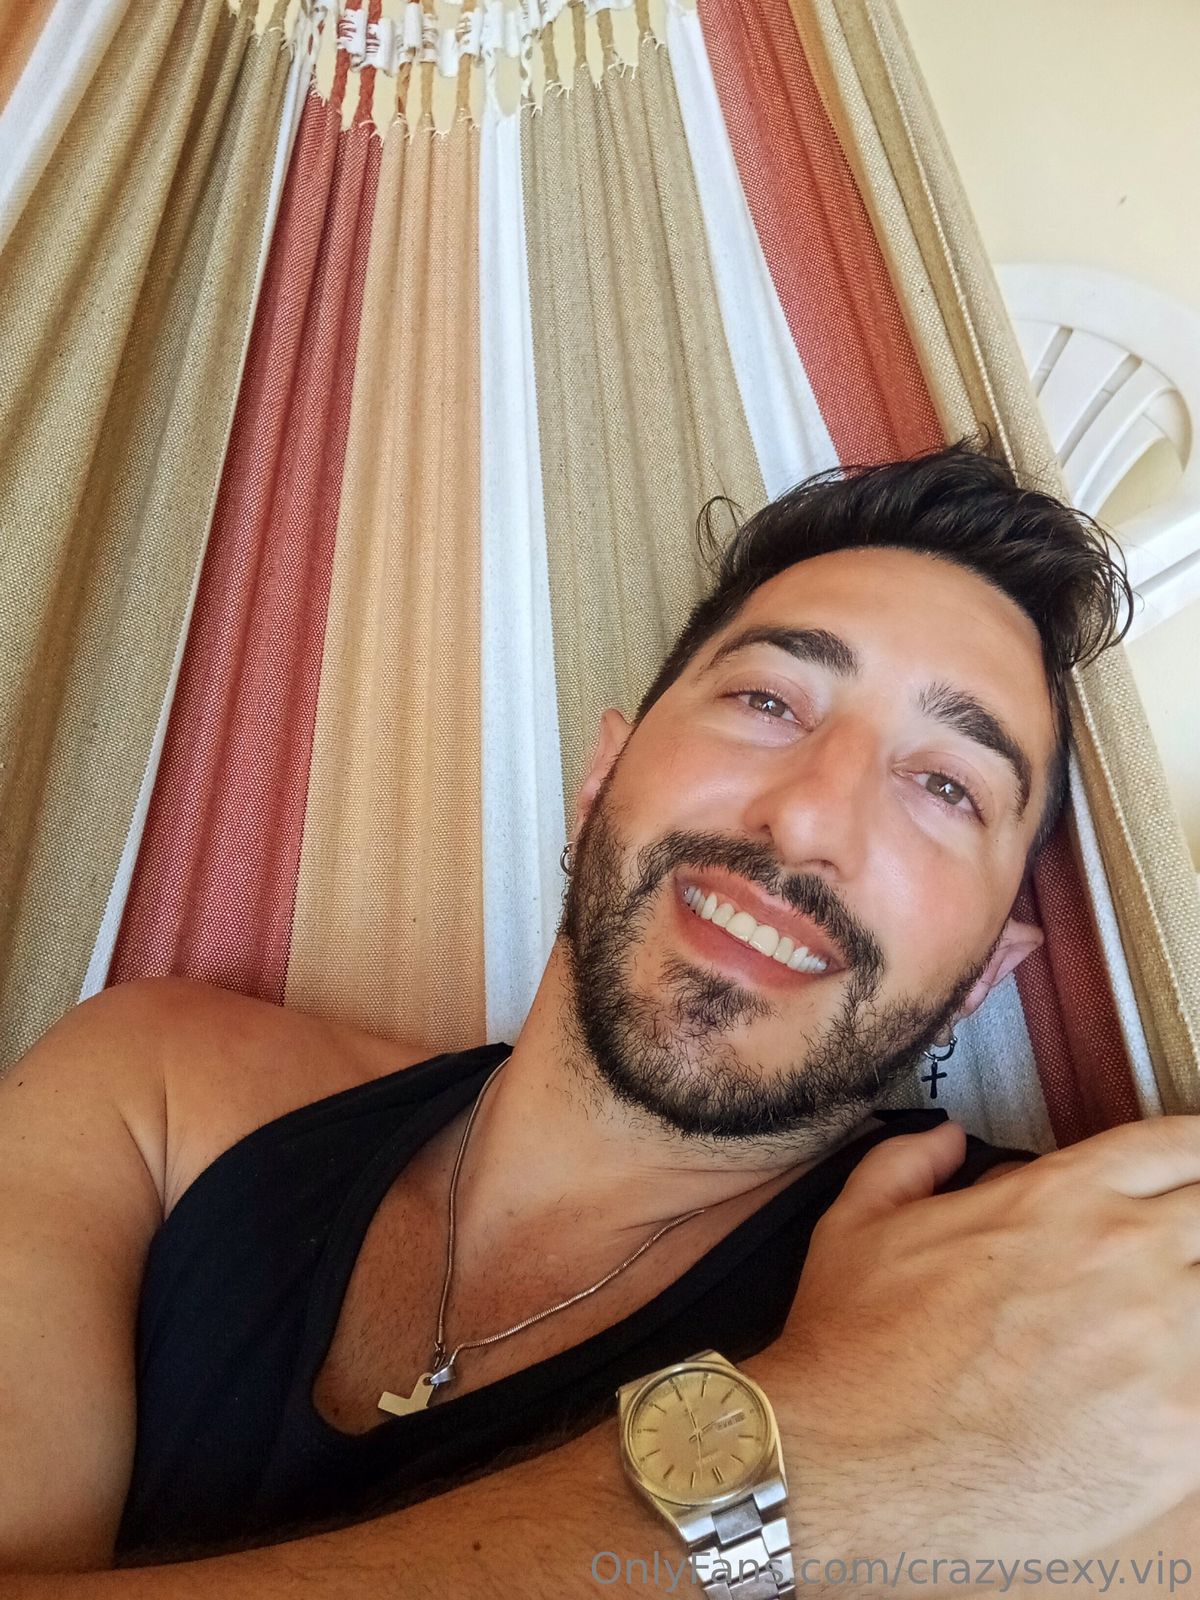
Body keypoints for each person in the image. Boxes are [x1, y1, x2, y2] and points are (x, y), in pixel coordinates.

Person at [4, 442, 1200, 1599]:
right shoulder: (161, 1098)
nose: (809, 820)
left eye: (947, 785)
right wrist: (815, 1455)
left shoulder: (1076, 1316)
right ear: (599, 782)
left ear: (985, 975)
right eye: (769, 699)